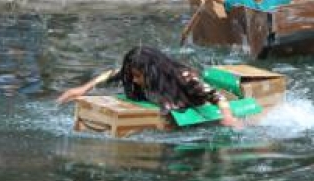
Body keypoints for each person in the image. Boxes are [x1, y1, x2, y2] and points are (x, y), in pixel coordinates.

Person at [55, 46, 242, 129]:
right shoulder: (133, 73)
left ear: (154, 72)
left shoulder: (184, 77)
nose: (134, 81)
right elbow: (112, 73)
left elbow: (217, 96)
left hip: (189, 104)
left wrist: (228, 117)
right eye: (132, 76)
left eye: (138, 76)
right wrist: (83, 89)